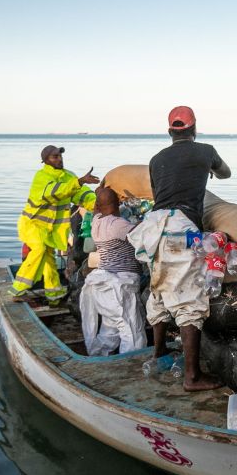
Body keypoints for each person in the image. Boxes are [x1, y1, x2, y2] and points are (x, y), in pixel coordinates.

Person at [128, 105, 231, 391]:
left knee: (160, 291)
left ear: (170, 131)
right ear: (194, 128)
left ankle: (159, 352)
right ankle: (192, 377)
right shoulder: (205, 150)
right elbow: (226, 174)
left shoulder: (156, 158)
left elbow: (159, 191)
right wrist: (207, 169)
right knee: (189, 302)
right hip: (181, 230)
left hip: (155, 227)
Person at [12, 145, 99, 306]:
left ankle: (54, 295)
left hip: (50, 229)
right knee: (39, 251)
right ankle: (18, 290)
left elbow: (81, 195)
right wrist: (78, 181)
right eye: (54, 157)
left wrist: (101, 201)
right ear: (45, 160)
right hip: (33, 224)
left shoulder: (68, 177)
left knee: (49, 260)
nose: (59, 159)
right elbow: (52, 193)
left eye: (59, 156)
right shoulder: (42, 177)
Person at [78, 186, 147, 356]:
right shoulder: (118, 225)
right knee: (132, 332)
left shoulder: (97, 221)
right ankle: (131, 364)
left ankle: (97, 356)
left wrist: (100, 193)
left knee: (110, 330)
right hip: (120, 286)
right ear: (119, 202)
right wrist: (147, 220)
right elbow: (142, 234)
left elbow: (97, 210)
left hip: (103, 288)